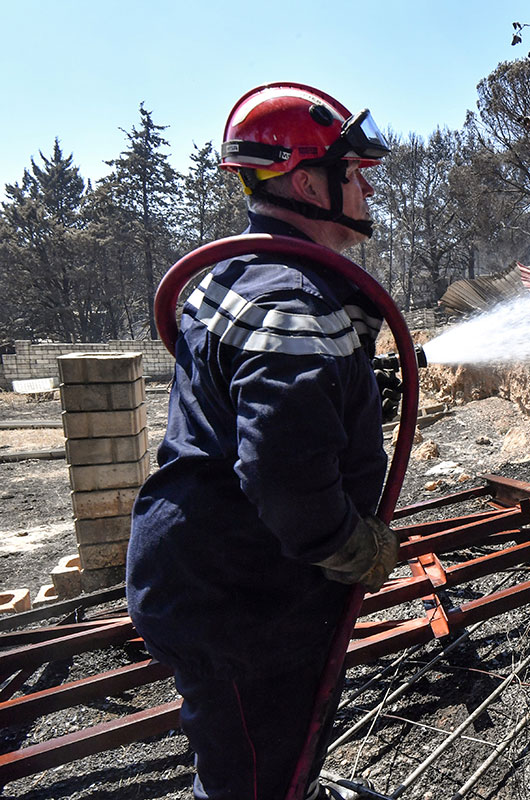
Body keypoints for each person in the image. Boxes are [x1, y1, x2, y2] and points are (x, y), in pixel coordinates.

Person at [127, 82, 400, 800]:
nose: (367, 183)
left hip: (220, 574)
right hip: (244, 599)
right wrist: (349, 544)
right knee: (252, 771)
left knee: (270, 748)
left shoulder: (244, 275)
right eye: (353, 170)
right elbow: (283, 472)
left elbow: (255, 403)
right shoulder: (290, 299)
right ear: (307, 181)